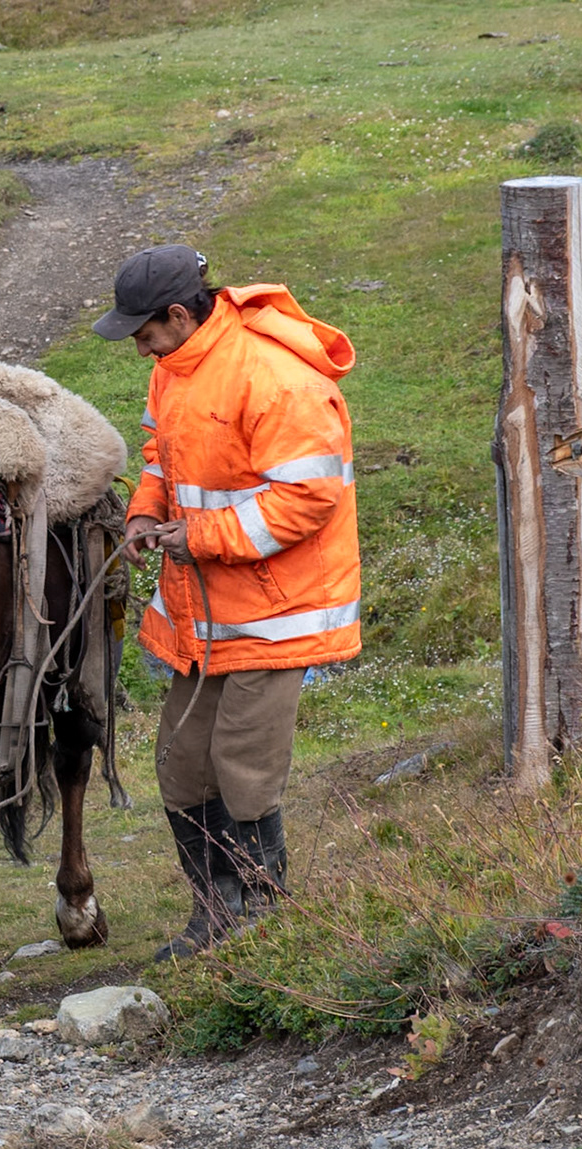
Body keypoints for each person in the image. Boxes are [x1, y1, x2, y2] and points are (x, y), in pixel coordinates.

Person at [96, 244, 361, 961]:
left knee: (243, 770)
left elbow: (308, 497)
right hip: (201, 613)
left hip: (278, 615)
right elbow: (160, 459)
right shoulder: (172, 372)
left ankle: (262, 922)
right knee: (183, 763)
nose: (138, 348)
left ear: (179, 315)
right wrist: (145, 517)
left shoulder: (274, 377)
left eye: (144, 333)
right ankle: (214, 913)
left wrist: (201, 536)